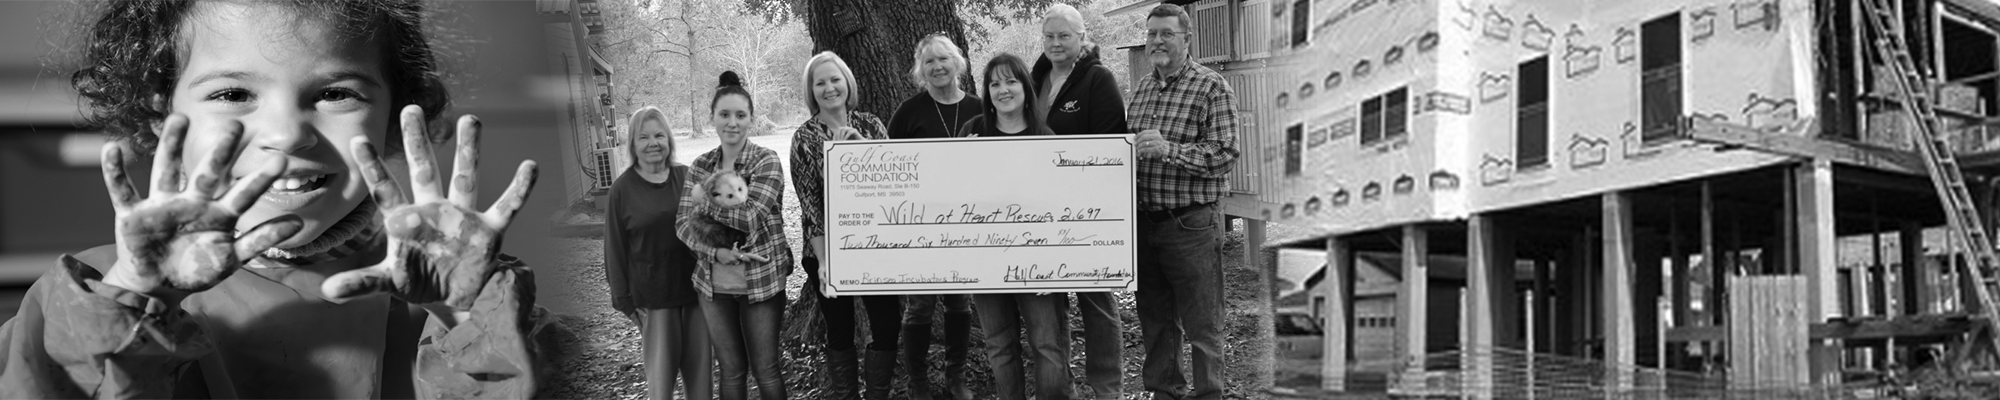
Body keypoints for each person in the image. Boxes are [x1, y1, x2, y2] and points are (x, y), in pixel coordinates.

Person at [0, 1, 544, 398]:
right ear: (162, 111)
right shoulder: (92, 297)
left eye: (335, 93)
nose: (287, 134)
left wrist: (467, 318)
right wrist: (132, 305)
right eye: (233, 93)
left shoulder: (452, 290)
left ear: (395, 114)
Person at [1128, 4, 1242, 400]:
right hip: (1145, 224)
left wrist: (1170, 151)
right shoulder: (1141, 89)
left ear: (1187, 38)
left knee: (1203, 323)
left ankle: (1209, 393)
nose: (1157, 41)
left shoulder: (1211, 86)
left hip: (1191, 225)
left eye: (1167, 33)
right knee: (1156, 321)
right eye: (1152, 33)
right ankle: (1165, 392)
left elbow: (1226, 153)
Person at [788, 50, 903, 400]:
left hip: (873, 246)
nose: (829, 88)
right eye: (820, 83)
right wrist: (825, 263)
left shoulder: (871, 125)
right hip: (826, 249)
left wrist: (860, 150)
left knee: (887, 326)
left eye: (835, 79)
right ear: (811, 92)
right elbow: (810, 207)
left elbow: (891, 184)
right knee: (839, 330)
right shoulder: (804, 138)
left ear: (847, 83)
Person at [1032, 5, 1130, 398]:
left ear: (1081, 37)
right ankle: (1062, 388)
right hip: (1039, 212)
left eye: (1064, 36)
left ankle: (1107, 389)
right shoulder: (1035, 78)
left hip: (1087, 213)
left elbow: (1108, 145)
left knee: (1096, 302)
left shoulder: (1097, 79)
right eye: (1049, 36)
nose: (1055, 43)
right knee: (1049, 303)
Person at [960, 53, 1069, 400]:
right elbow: (954, 198)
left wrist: (1053, 265)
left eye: (1011, 81)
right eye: (994, 84)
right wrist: (959, 161)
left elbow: (1060, 206)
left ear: (1025, 88)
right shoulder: (973, 132)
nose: (1003, 90)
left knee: (1047, 344)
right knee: (999, 346)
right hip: (986, 259)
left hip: (1037, 261)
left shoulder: (1045, 137)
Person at [679, 71, 792, 400]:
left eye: (740, 115)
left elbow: (750, 217)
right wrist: (716, 253)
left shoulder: (765, 161)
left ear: (751, 120)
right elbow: (682, 225)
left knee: (766, 369)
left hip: (762, 282)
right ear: (712, 118)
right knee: (730, 371)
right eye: (724, 114)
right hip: (713, 286)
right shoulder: (701, 164)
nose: (732, 123)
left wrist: (705, 200)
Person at [883, 33, 980, 400]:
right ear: (920, 71)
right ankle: (919, 382)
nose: (938, 66)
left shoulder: (979, 109)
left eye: (943, 59)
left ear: (958, 63)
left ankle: (956, 378)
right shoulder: (908, 112)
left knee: (959, 301)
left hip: (967, 225)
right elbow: (889, 167)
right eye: (929, 62)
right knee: (920, 305)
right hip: (919, 225)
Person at [606, 107, 712, 400]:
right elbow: (614, 250)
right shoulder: (621, 190)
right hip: (654, 302)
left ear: (669, 140)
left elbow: (709, 229)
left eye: (659, 135)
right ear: (632, 144)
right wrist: (624, 302)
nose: (653, 143)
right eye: (644, 137)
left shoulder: (687, 177)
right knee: (661, 390)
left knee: (701, 387)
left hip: (696, 296)